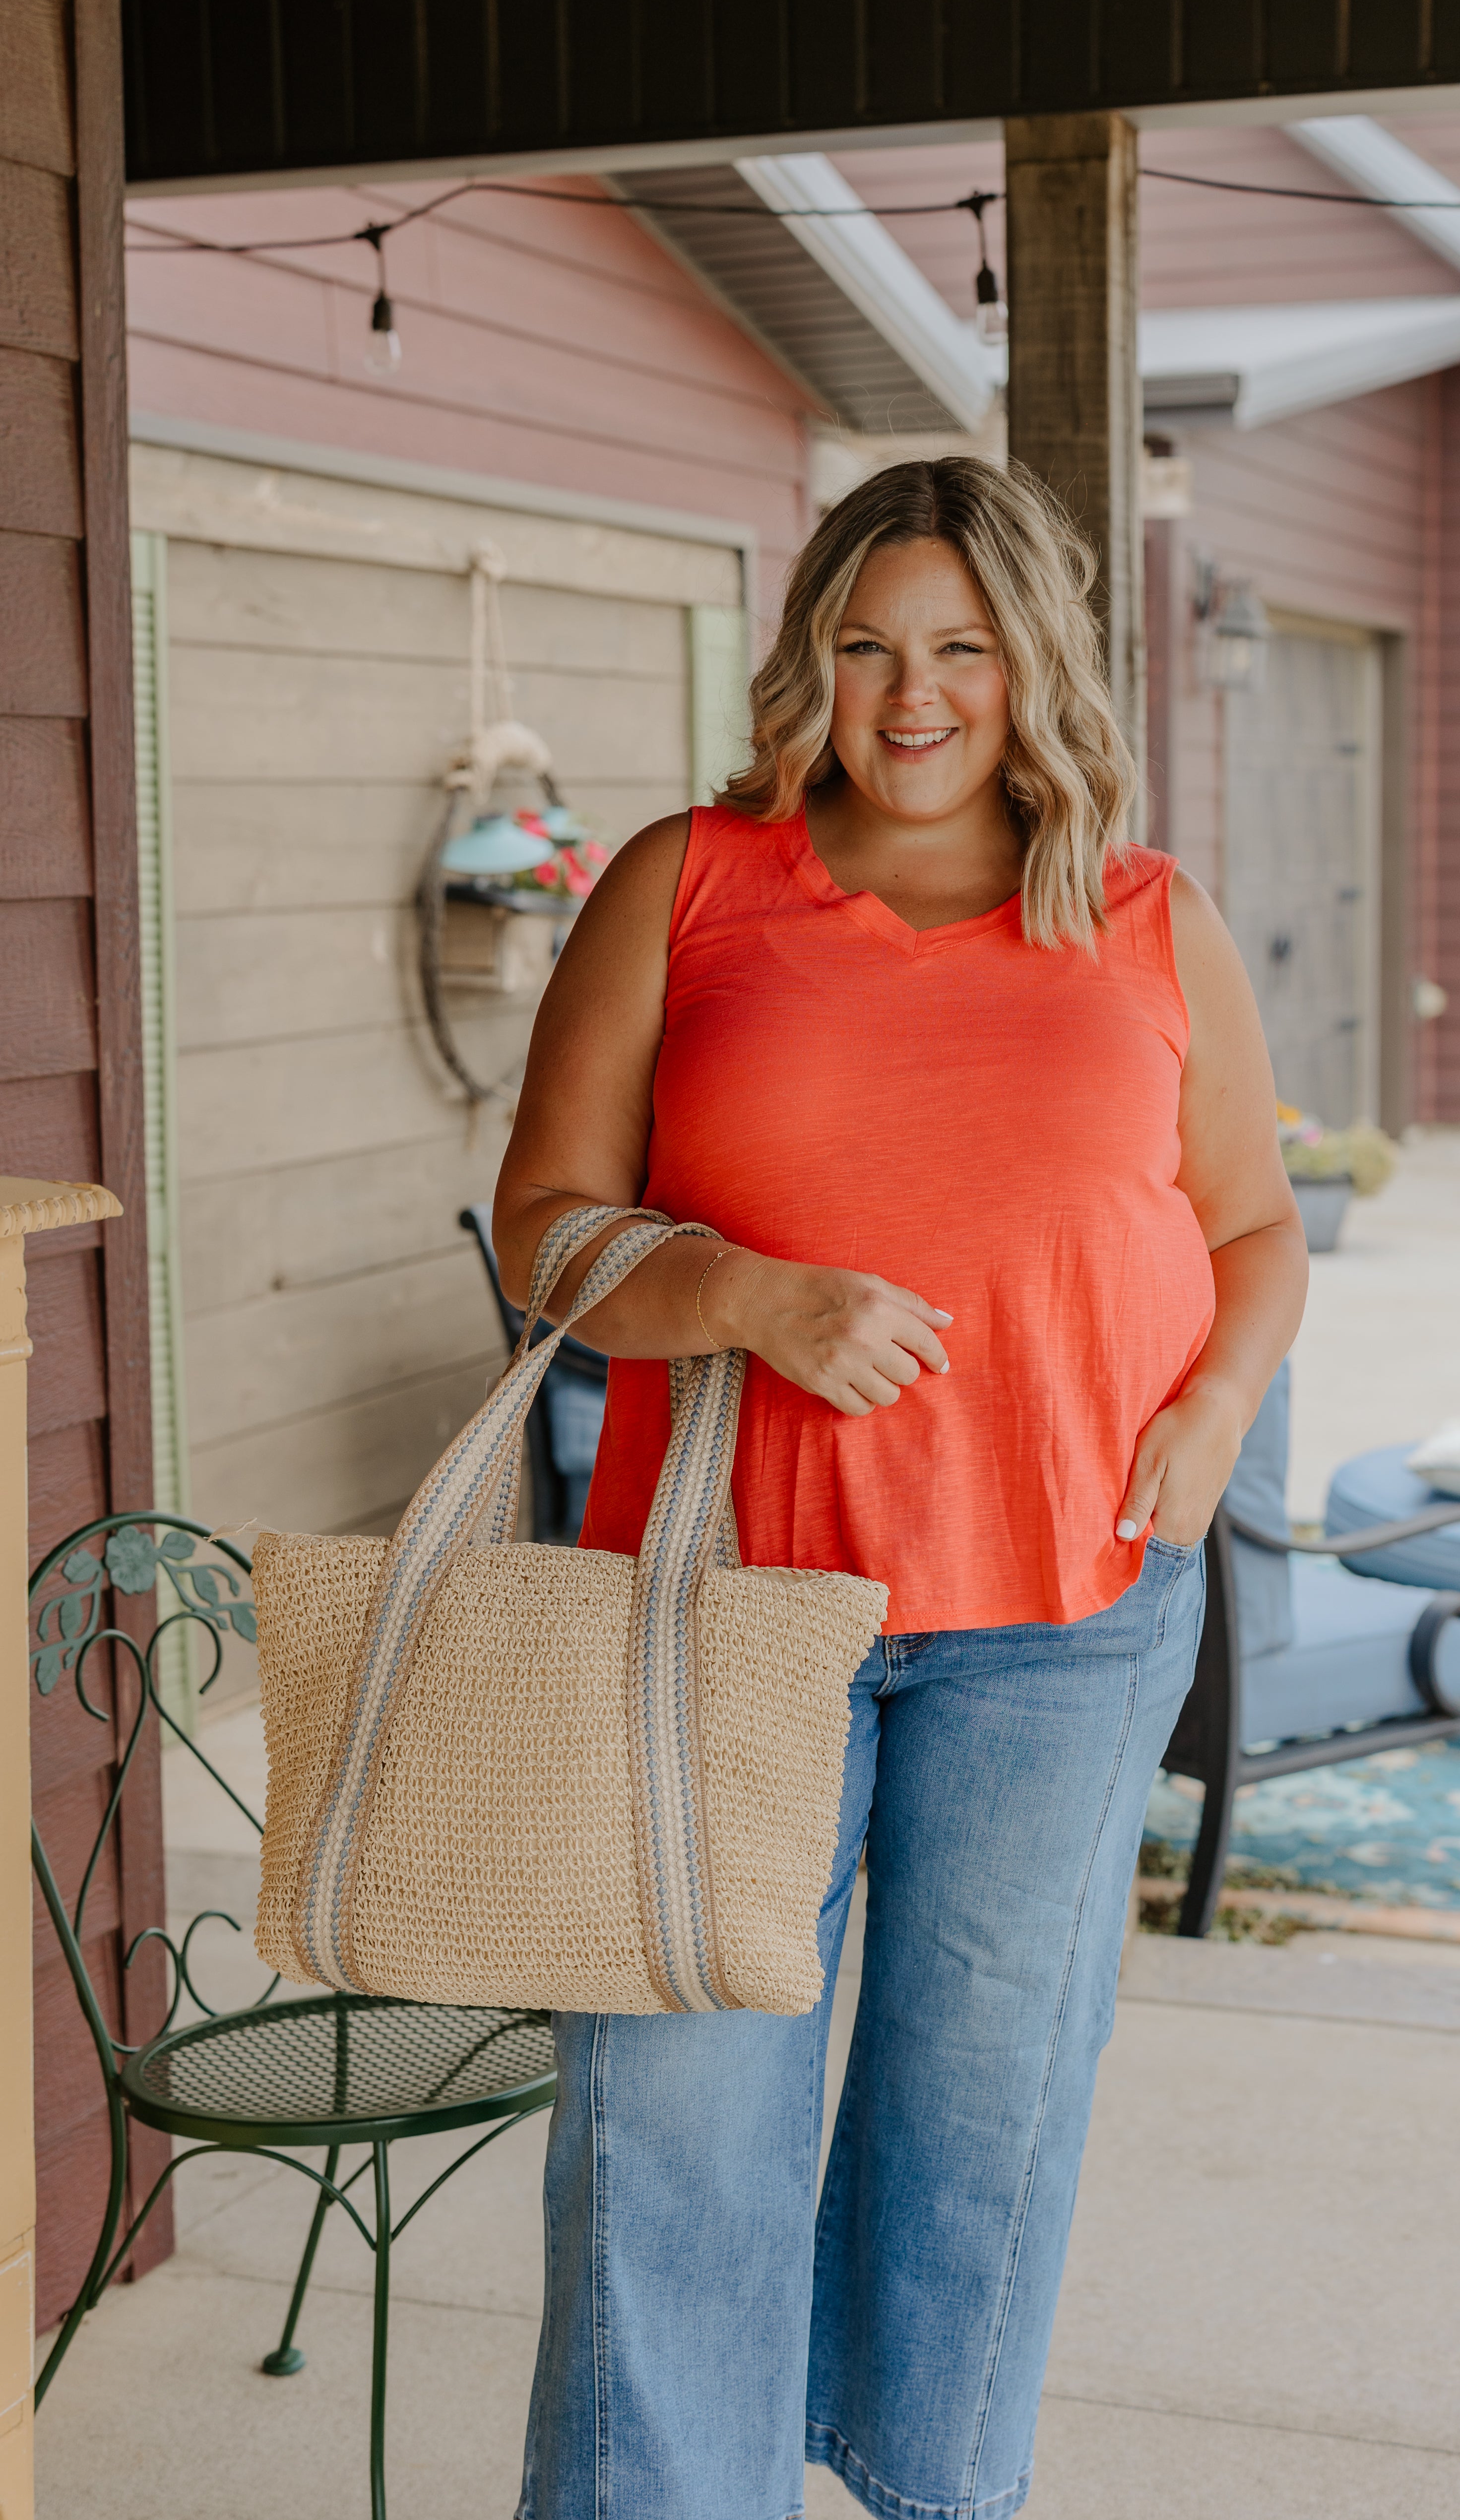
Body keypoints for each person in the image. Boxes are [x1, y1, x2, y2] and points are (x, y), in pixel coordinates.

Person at [495, 456, 1307, 2520]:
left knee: (982, 2119)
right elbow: (545, 1220)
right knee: (673, 2117)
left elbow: (1252, 1225)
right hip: (725, 1606)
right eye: (866, 647)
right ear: (810, 663)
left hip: (1065, 1618)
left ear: (1034, 666)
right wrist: (744, 1293)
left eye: (960, 648)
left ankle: (932, 2493)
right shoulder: (689, 878)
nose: (914, 693)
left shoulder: (1148, 914)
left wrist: (1212, 1416)